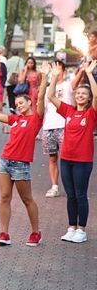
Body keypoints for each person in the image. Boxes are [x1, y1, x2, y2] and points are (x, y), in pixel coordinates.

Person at [0, 61, 48, 247]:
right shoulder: (15, 119)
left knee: (26, 199)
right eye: (16, 104)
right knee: (5, 197)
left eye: (22, 103)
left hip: (21, 163)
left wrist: (46, 77)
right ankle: (4, 233)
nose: (19, 106)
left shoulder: (35, 119)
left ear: (29, 102)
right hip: (5, 160)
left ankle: (35, 232)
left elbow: (40, 97)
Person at [50, 60, 97, 244]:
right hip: (66, 159)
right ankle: (71, 227)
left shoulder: (91, 113)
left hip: (83, 161)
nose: (80, 95)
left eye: (84, 93)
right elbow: (51, 97)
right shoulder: (68, 110)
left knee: (80, 194)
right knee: (70, 195)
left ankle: (82, 230)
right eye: (78, 93)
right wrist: (53, 77)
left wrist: (90, 74)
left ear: (88, 97)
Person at [42, 61, 78, 198]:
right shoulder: (48, 88)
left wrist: (83, 68)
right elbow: (43, 105)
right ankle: (54, 186)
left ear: (63, 70)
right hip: (49, 126)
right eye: (53, 69)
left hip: (64, 126)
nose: (55, 71)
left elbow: (77, 81)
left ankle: (72, 186)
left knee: (67, 157)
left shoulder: (68, 85)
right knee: (52, 157)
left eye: (58, 69)